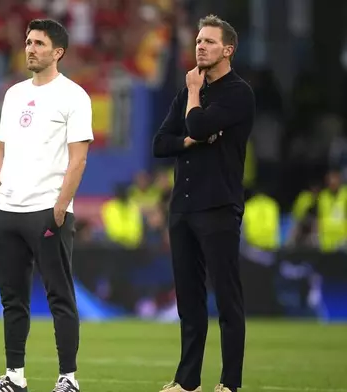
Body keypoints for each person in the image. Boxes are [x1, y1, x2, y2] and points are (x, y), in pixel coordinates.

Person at [0, 19, 93, 392]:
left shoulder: (74, 96)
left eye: (39, 43)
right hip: (6, 211)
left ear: (57, 52)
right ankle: (15, 376)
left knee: (59, 296)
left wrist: (60, 205)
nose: (30, 48)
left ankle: (68, 378)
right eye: (28, 42)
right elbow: (0, 150)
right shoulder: (13, 94)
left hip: (47, 210)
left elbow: (78, 159)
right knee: (12, 300)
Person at [152, 15, 255, 392]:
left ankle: (230, 384)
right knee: (189, 302)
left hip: (218, 206)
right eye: (198, 40)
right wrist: (190, 140)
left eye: (209, 42)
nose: (200, 47)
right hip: (183, 207)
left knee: (228, 300)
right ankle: (187, 381)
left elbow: (194, 125)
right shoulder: (187, 93)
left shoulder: (238, 93)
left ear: (228, 49)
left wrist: (194, 100)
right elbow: (161, 143)